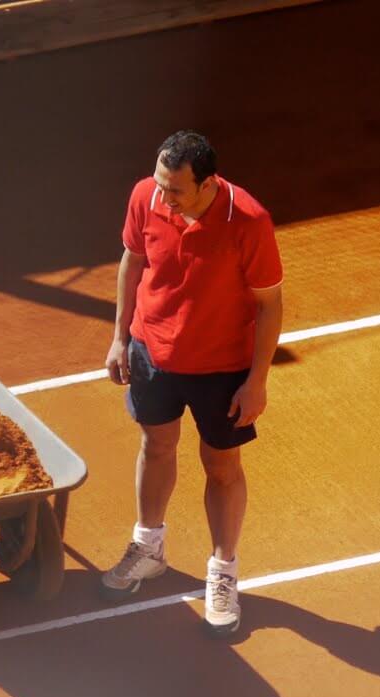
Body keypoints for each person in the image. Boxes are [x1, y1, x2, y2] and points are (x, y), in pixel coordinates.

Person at [101, 130, 284, 633]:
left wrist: (257, 382)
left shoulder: (248, 221)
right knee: (155, 446)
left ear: (208, 184)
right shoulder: (146, 196)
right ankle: (148, 547)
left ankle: (223, 572)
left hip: (221, 366)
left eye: (175, 189)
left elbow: (270, 305)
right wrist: (120, 338)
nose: (162, 197)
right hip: (152, 352)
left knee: (221, 466)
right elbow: (132, 262)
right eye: (160, 184)